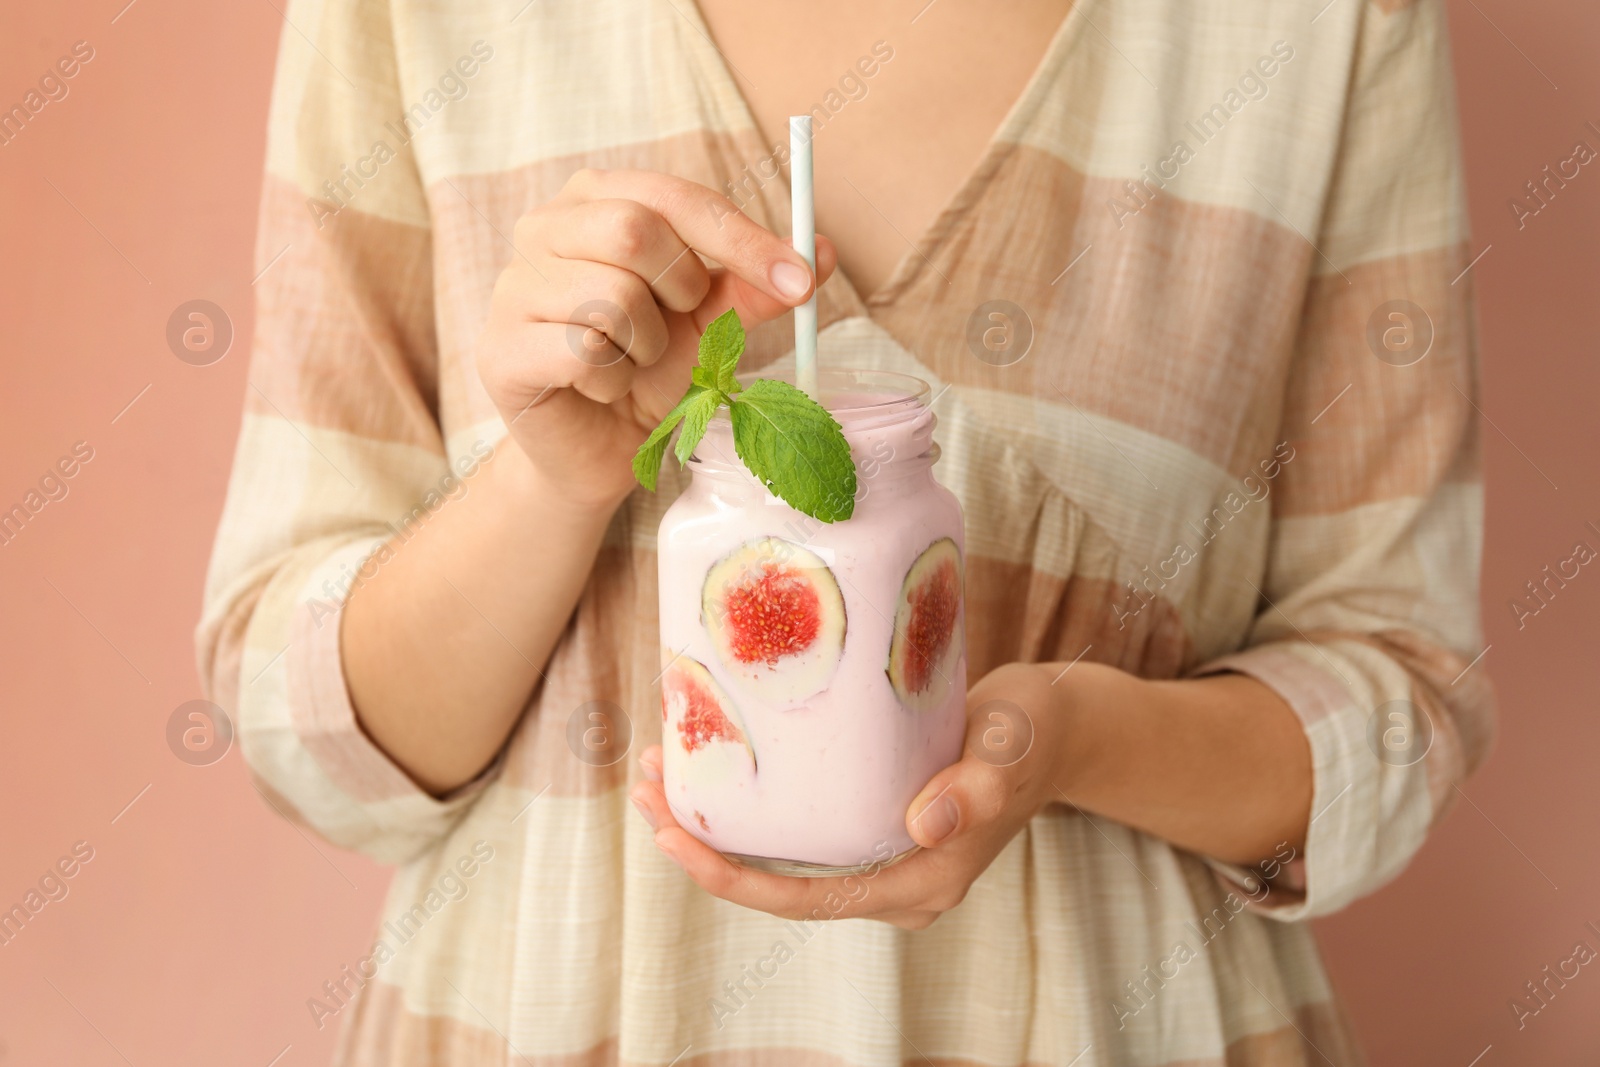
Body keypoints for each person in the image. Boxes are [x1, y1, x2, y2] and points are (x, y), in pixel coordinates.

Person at [198, 0, 1494, 1062]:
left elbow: (1401, 702)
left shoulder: (1321, 29)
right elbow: (298, 727)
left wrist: (1076, 742)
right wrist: (548, 482)